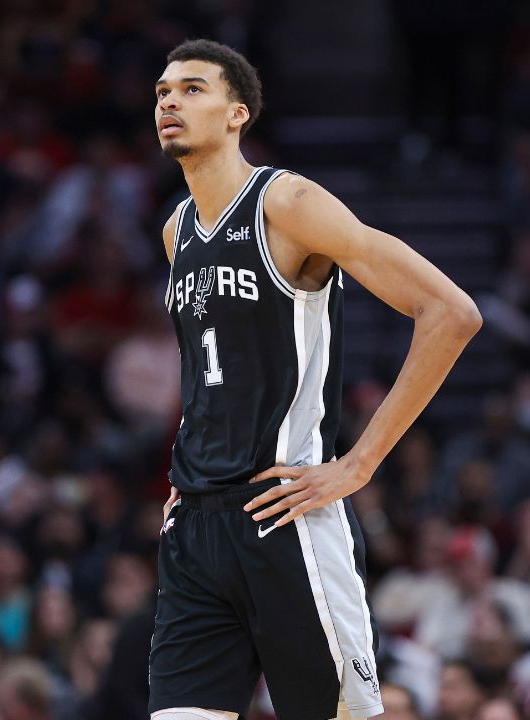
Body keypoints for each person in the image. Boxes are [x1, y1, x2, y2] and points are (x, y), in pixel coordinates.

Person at [148, 39, 482, 720]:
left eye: (191, 89)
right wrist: (187, 476)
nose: (170, 103)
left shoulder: (287, 201)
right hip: (196, 530)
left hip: (286, 514)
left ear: (237, 113)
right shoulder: (177, 231)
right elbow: (210, 370)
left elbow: (451, 313)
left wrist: (360, 464)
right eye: (161, 92)